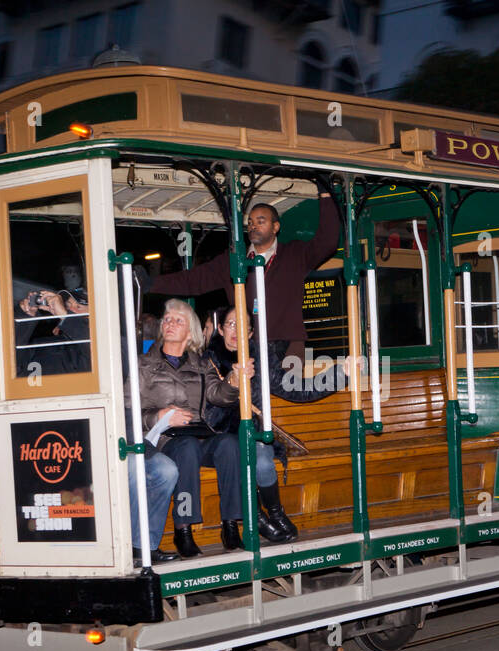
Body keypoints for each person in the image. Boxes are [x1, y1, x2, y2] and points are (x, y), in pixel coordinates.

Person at [203, 305, 347, 543]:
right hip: (218, 435)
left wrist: (341, 374)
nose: (236, 331)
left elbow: (296, 387)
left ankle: (276, 512)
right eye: (231, 324)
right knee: (235, 452)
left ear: (251, 334)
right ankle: (256, 517)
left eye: (244, 327)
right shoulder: (208, 360)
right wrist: (233, 380)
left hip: (253, 432)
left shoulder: (259, 358)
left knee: (261, 459)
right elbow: (210, 403)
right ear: (220, 329)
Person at [143, 193, 339, 358]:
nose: (253, 226)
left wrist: (326, 195)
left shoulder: (295, 254)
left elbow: (327, 242)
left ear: (276, 227)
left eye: (261, 221)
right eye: (251, 222)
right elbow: (193, 281)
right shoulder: (234, 260)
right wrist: (150, 283)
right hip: (247, 345)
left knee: (285, 399)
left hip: (289, 346)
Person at [139, 298, 252, 558]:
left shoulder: (200, 364)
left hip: (197, 433)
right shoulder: (144, 365)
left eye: (178, 320)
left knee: (229, 443)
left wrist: (233, 381)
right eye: (167, 319)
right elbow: (129, 408)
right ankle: (184, 528)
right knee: (187, 448)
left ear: (190, 331)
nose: (170, 323)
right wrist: (159, 416)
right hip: (164, 439)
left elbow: (217, 395)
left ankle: (231, 524)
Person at [13, 287, 90, 375]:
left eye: (78, 307)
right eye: (67, 306)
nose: (70, 310)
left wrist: (66, 317)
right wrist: (24, 318)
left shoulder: (101, 347)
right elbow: (11, 366)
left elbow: (97, 355)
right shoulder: (42, 345)